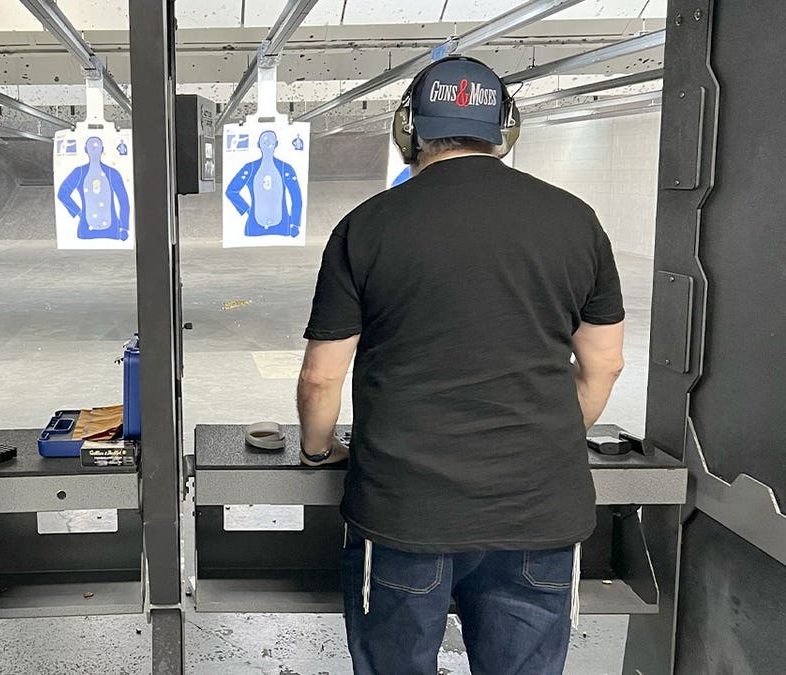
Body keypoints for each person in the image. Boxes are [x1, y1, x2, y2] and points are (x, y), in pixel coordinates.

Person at [296, 56, 626, 674]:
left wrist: (318, 451)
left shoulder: (366, 225)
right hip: (538, 510)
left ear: (408, 130)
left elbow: (322, 376)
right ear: (506, 129)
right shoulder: (576, 220)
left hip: (405, 511)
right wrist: (547, 441)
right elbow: (604, 364)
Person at [224, 129, 304, 237]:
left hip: (282, 227)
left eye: (271, 142)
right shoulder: (250, 168)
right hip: (254, 227)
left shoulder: (285, 168)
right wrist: (246, 209)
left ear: (276, 144)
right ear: (258, 144)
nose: (268, 145)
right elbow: (231, 191)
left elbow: (296, 196)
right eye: (265, 142)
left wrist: (295, 224)